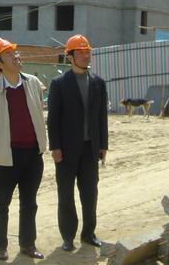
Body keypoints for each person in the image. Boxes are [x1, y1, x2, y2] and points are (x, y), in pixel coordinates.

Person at [0, 38, 47, 261]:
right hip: (8, 156)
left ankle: (28, 244)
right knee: (2, 203)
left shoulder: (32, 83)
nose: (16, 57)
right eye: (9, 54)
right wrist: (0, 137)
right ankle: (0, 246)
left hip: (33, 154)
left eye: (15, 53)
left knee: (29, 203)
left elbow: (38, 109)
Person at [47, 34, 109, 252]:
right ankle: (68, 236)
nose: (86, 55)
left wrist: (103, 145)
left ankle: (88, 233)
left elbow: (102, 117)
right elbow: (53, 118)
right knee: (66, 194)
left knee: (90, 193)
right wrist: (55, 146)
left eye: (87, 51)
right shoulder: (59, 84)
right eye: (81, 52)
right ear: (70, 56)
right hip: (65, 150)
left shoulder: (98, 83)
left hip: (90, 148)